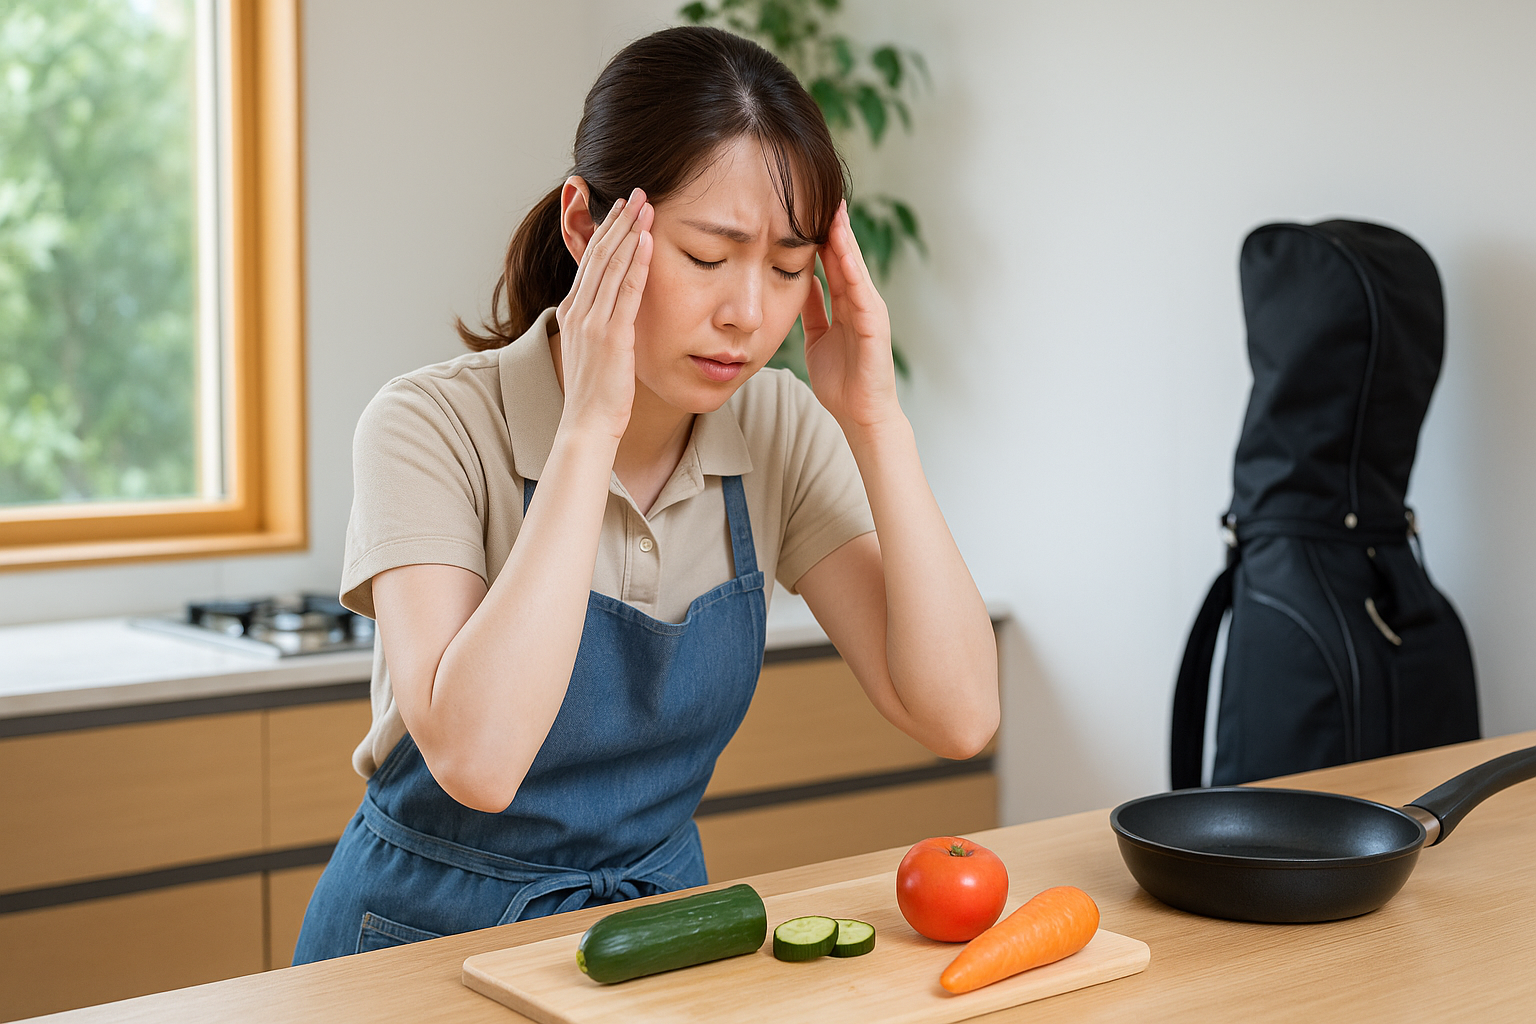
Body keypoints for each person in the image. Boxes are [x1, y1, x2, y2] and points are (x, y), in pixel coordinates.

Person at [292, 24, 998, 963]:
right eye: (710, 257)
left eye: (789, 269)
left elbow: (957, 717)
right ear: (587, 226)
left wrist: (877, 423)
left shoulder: (775, 429)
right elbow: (479, 761)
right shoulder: (428, 425)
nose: (750, 314)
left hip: (653, 939)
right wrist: (588, 426)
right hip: (417, 947)